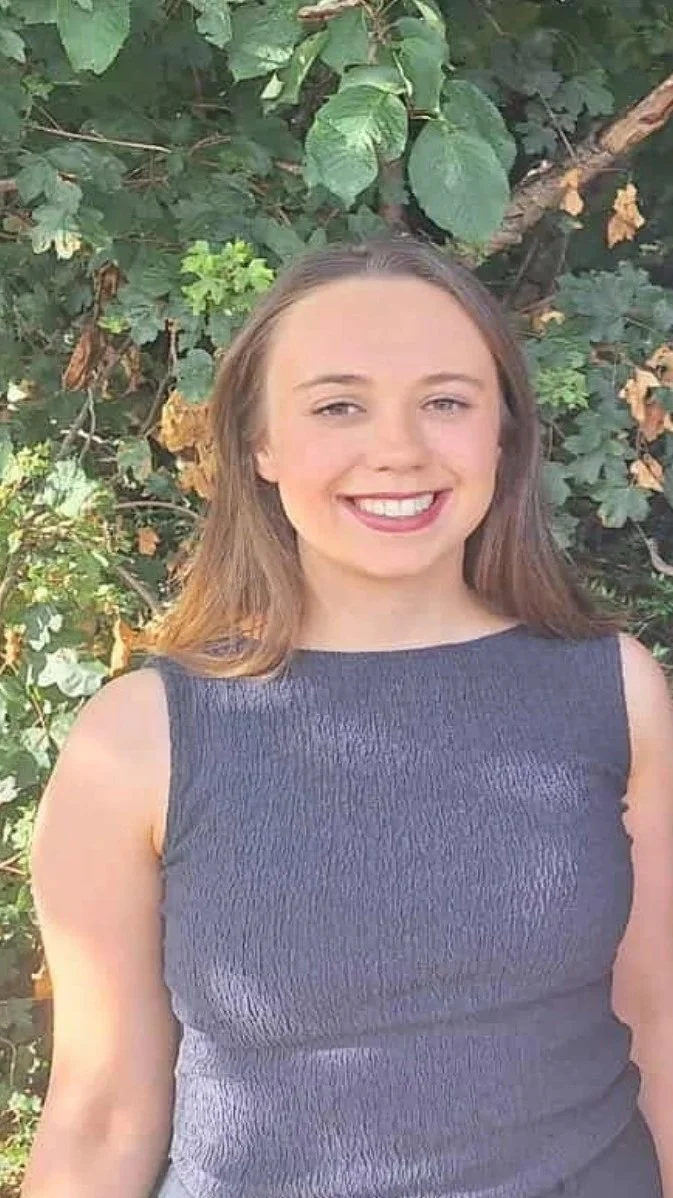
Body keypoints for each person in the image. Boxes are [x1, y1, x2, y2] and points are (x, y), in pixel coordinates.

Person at [23, 238, 673, 1198]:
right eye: (337, 406)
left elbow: (656, 1015)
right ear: (260, 445)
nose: (398, 449)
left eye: (445, 401)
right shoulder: (137, 741)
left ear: (501, 430)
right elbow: (104, 1112)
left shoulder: (613, 692)